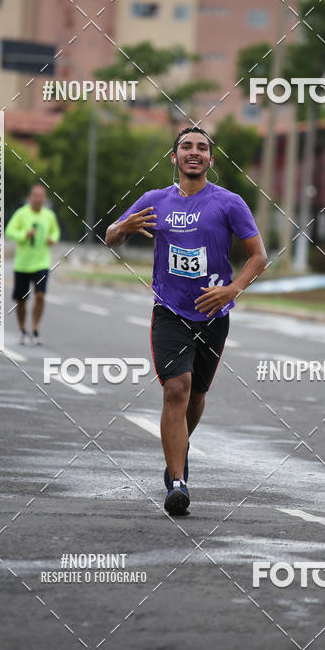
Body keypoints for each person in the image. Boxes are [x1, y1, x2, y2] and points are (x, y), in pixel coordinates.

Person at [106, 126, 267, 516]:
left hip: (214, 312)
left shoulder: (229, 203)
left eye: (202, 148)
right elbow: (111, 236)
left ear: (211, 159)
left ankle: (177, 449)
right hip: (170, 311)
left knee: (196, 395)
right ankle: (177, 482)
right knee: (177, 388)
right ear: (174, 158)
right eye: (185, 147)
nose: (193, 152)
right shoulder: (154, 200)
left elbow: (258, 256)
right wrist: (121, 228)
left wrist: (233, 289)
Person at [5, 184, 60, 345]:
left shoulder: (49, 215)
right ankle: (22, 329)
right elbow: (9, 231)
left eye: (41, 196)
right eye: (35, 195)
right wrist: (24, 234)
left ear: (45, 198)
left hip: (41, 263)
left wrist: (53, 239)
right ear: (30, 197)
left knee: (40, 296)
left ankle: (34, 328)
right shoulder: (21, 214)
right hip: (22, 264)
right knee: (21, 300)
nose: (38, 198)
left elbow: (55, 232)